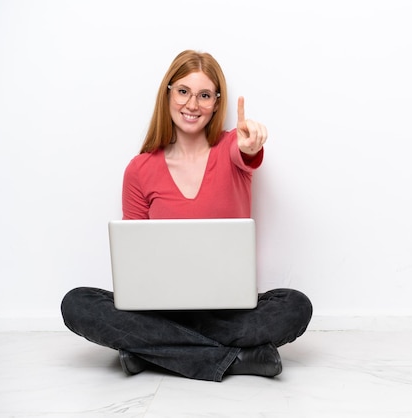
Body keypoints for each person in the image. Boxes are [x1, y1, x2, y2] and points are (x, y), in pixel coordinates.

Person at [60, 50, 313, 382]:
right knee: (77, 303)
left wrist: (251, 144)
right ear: (168, 93)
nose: (192, 104)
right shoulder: (140, 168)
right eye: (183, 91)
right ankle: (238, 358)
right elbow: (134, 258)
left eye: (204, 95)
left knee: (295, 305)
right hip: (160, 308)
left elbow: (247, 151)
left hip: (227, 309)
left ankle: (150, 352)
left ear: (216, 102)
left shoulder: (231, 148)